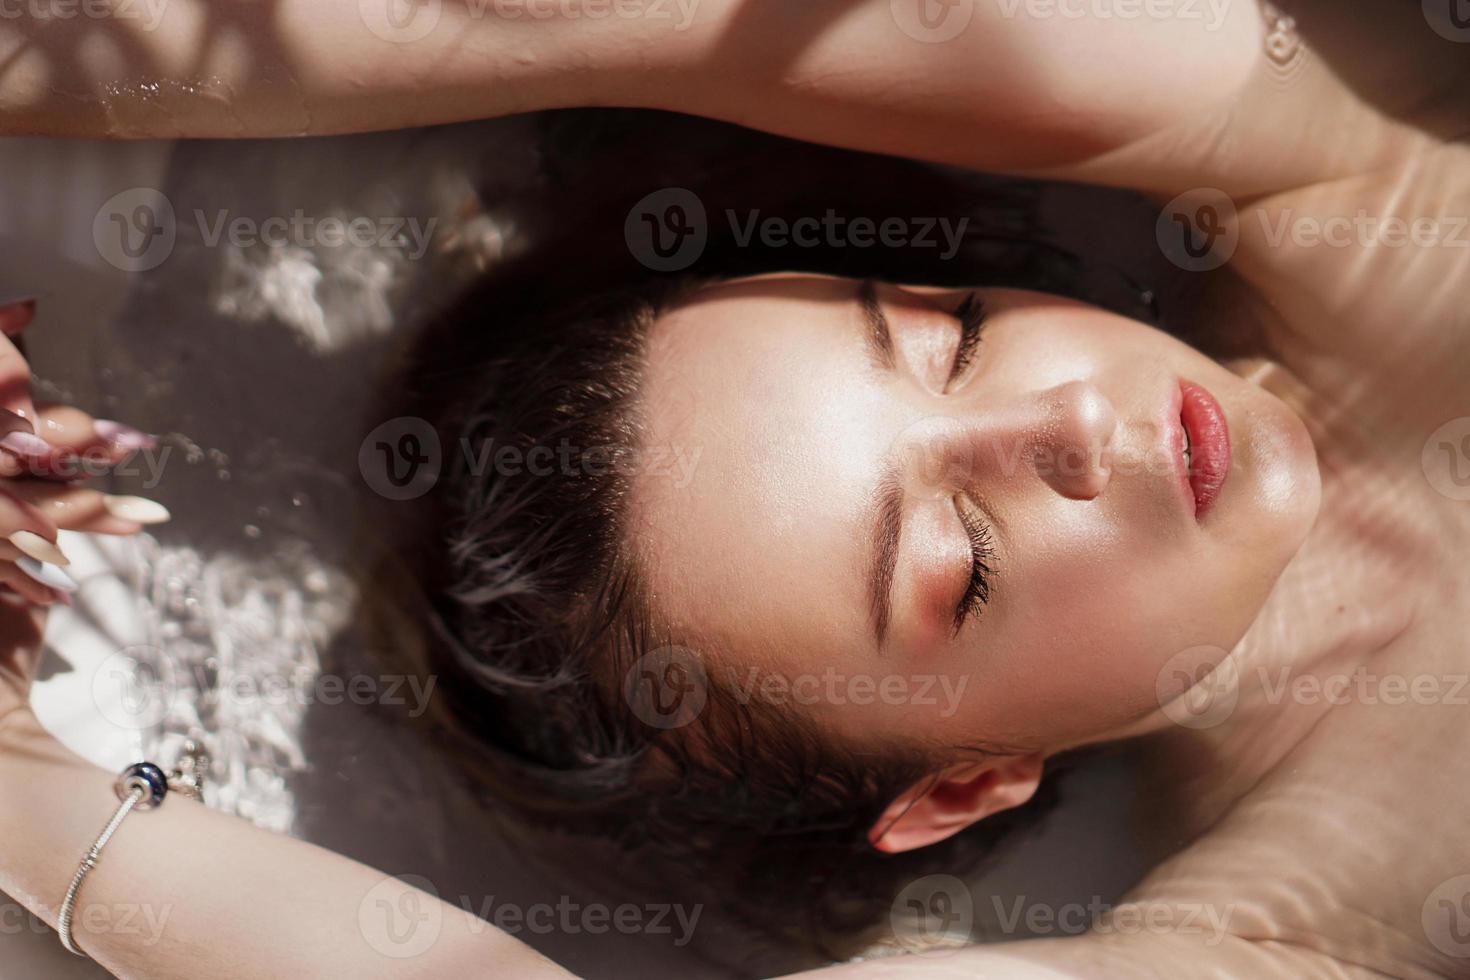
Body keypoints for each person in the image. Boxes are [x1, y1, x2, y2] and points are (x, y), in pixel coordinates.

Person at [2, 1, 1468, 976]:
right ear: (962, 784)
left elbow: (530, 8)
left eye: (946, 331)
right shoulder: (1305, 927)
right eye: (960, 563)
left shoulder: (1331, 162)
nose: (1070, 422)